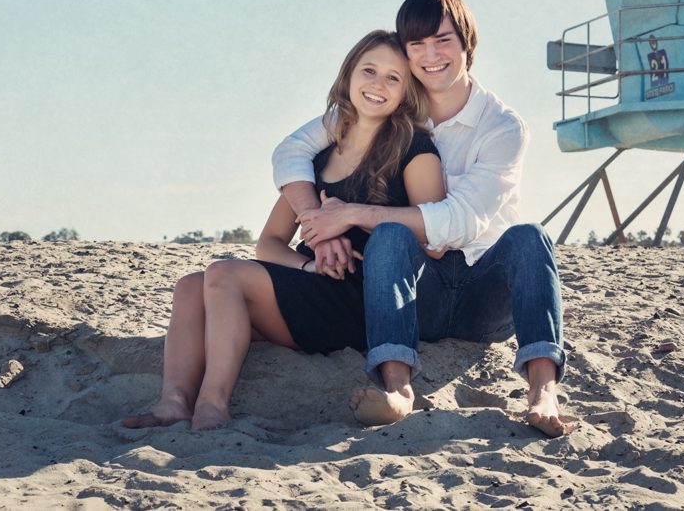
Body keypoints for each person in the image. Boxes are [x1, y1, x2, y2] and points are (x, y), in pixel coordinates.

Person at [273, 0, 574, 437]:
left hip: (484, 295)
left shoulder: (502, 126)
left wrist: (352, 212)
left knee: (531, 235)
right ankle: (397, 389)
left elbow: (459, 220)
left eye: (443, 40)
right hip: (421, 293)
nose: (430, 56)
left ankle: (543, 390)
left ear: (467, 43)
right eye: (417, 45)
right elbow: (292, 149)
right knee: (392, 235)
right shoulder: (386, 103)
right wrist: (318, 222)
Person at [123, 29, 445, 431]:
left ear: (406, 92)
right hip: (313, 289)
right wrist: (309, 267)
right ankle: (172, 402)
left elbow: (432, 237)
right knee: (191, 286)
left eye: (393, 78)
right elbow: (269, 243)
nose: (378, 84)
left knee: (222, 273)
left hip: (366, 302)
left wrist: (353, 217)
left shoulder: (414, 149)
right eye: (369, 70)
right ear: (348, 76)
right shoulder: (317, 158)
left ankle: (212, 404)